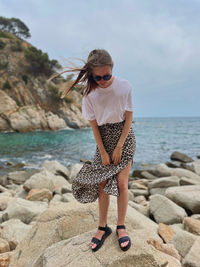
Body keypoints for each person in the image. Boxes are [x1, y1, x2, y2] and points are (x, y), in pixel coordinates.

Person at [47, 49, 136, 252]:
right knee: (102, 182)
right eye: (98, 77)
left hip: (125, 136)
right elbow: (94, 126)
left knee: (122, 183)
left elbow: (129, 117)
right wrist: (103, 152)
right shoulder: (89, 94)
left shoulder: (124, 87)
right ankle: (102, 228)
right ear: (91, 75)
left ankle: (121, 227)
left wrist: (120, 145)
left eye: (107, 76)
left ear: (112, 70)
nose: (103, 80)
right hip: (103, 139)